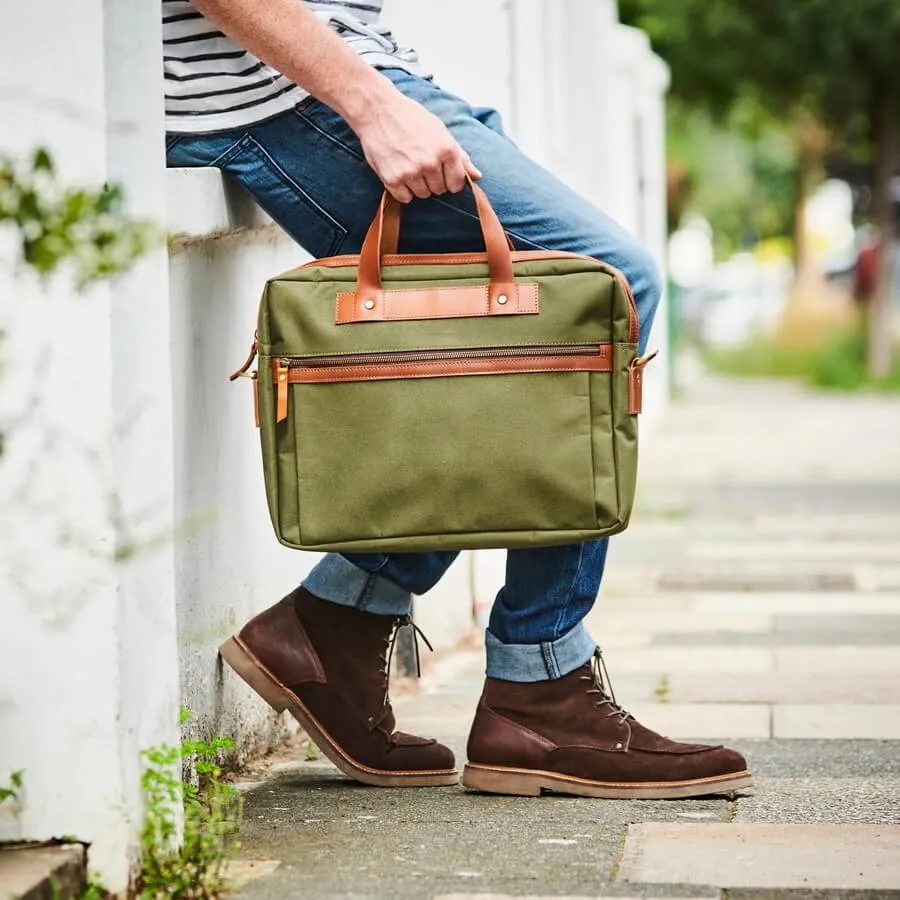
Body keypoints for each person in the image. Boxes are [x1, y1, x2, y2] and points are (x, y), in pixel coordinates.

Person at [163, 0, 751, 799]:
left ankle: (341, 625)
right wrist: (371, 103)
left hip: (340, 79)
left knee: (517, 340)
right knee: (600, 287)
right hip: (283, 93)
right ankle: (539, 682)